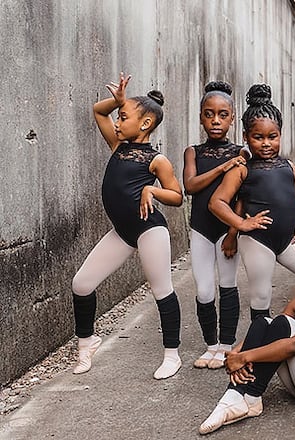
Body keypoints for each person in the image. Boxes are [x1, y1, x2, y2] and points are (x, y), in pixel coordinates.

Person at [71, 73, 184, 379]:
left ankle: (172, 355)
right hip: (122, 231)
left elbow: (177, 197)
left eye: (123, 117)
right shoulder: (118, 145)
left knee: (162, 290)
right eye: (118, 117)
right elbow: (98, 110)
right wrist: (118, 101)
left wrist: (152, 190)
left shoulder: (157, 160)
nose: (117, 122)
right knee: (81, 284)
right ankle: (87, 343)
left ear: (145, 124)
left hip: (150, 230)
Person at [199, 220, 295, 434]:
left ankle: (238, 398)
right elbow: (268, 330)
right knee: (264, 322)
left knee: (283, 324)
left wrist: (245, 357)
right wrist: (236, 351)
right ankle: (247, 398)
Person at [209, 84, 295, 321]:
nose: (266, 143)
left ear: (280, 135)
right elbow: (217, 203)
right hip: (257, 241)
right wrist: (240, 226)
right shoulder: (242, 170)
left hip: (288, 241)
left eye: (272, 137)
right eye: (258, 137)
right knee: (261, 295)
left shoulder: (289, 167)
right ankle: (261, 345)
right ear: (246, 137)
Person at [183, 81, 246, 369]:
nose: (216, 121)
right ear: (200, 117)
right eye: (209, 114)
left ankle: (226, 345)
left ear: (233, 117)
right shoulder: (193, 152)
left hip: (227, 232)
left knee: (227, 285)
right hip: (201, 229)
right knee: (204, 291)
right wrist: (222, 168)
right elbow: (191, 186)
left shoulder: (242, 152)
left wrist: (233, 232)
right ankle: (210, 346)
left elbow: (243, 197)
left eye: (222, 115)